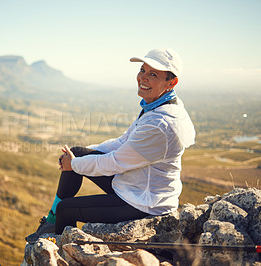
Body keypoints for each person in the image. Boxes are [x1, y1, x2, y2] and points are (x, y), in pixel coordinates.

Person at [26, 48, 196, 244]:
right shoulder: (159, 105)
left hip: (144, 202)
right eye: (142, 70)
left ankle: (62, 248)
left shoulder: (160, 124)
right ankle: (51, 220)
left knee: (66, 208)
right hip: (137, 185)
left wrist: (74, 165)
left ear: (171, 82)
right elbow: (122, 142)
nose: (143, 78)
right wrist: (78, 158)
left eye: (153, 74)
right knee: (77, 153)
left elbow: (116, 162)